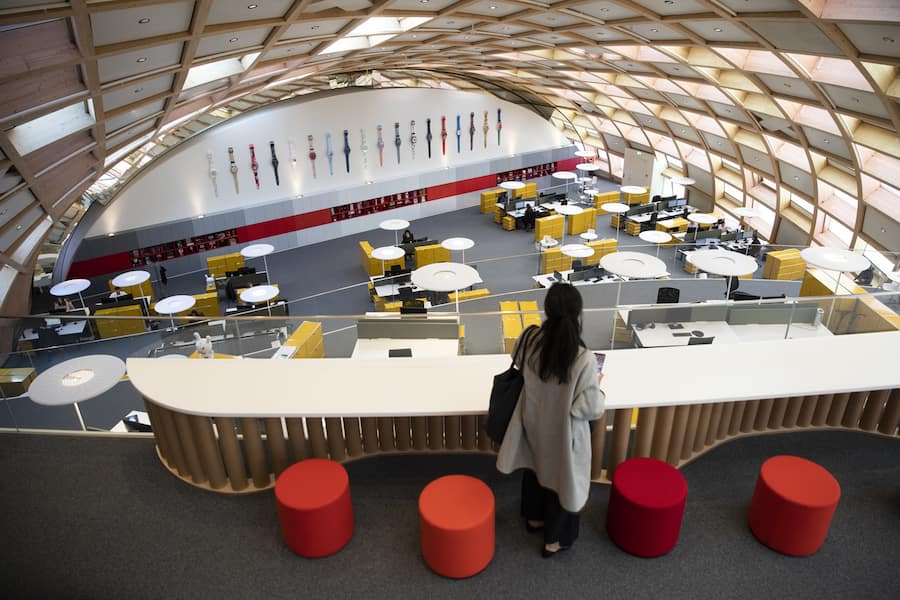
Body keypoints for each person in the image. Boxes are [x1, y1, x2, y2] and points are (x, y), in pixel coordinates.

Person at [497, 283, 605, 558]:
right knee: (562, 481)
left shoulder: (530, 338)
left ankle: (534, 519)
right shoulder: (583, 359)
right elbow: (590, 408)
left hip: (531, 423)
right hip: (563, 434)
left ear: (546, 310)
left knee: (535, 468)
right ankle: (554, 541)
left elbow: (517, 361)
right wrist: (598, 385)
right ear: (578, 314)